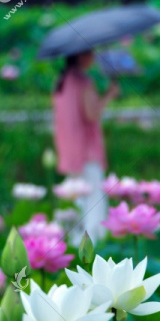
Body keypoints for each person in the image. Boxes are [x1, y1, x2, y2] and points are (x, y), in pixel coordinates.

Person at [52, 49, 119, 244]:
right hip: (87, 151)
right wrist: (110, 94)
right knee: (95, 200)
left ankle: (73, 244)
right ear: (79, 56)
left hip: (68, 149)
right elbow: (92, 114)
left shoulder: (61, 82)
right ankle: (94, 245)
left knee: (76, 200)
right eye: (89, 53)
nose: (93, 56)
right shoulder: (83, 82)